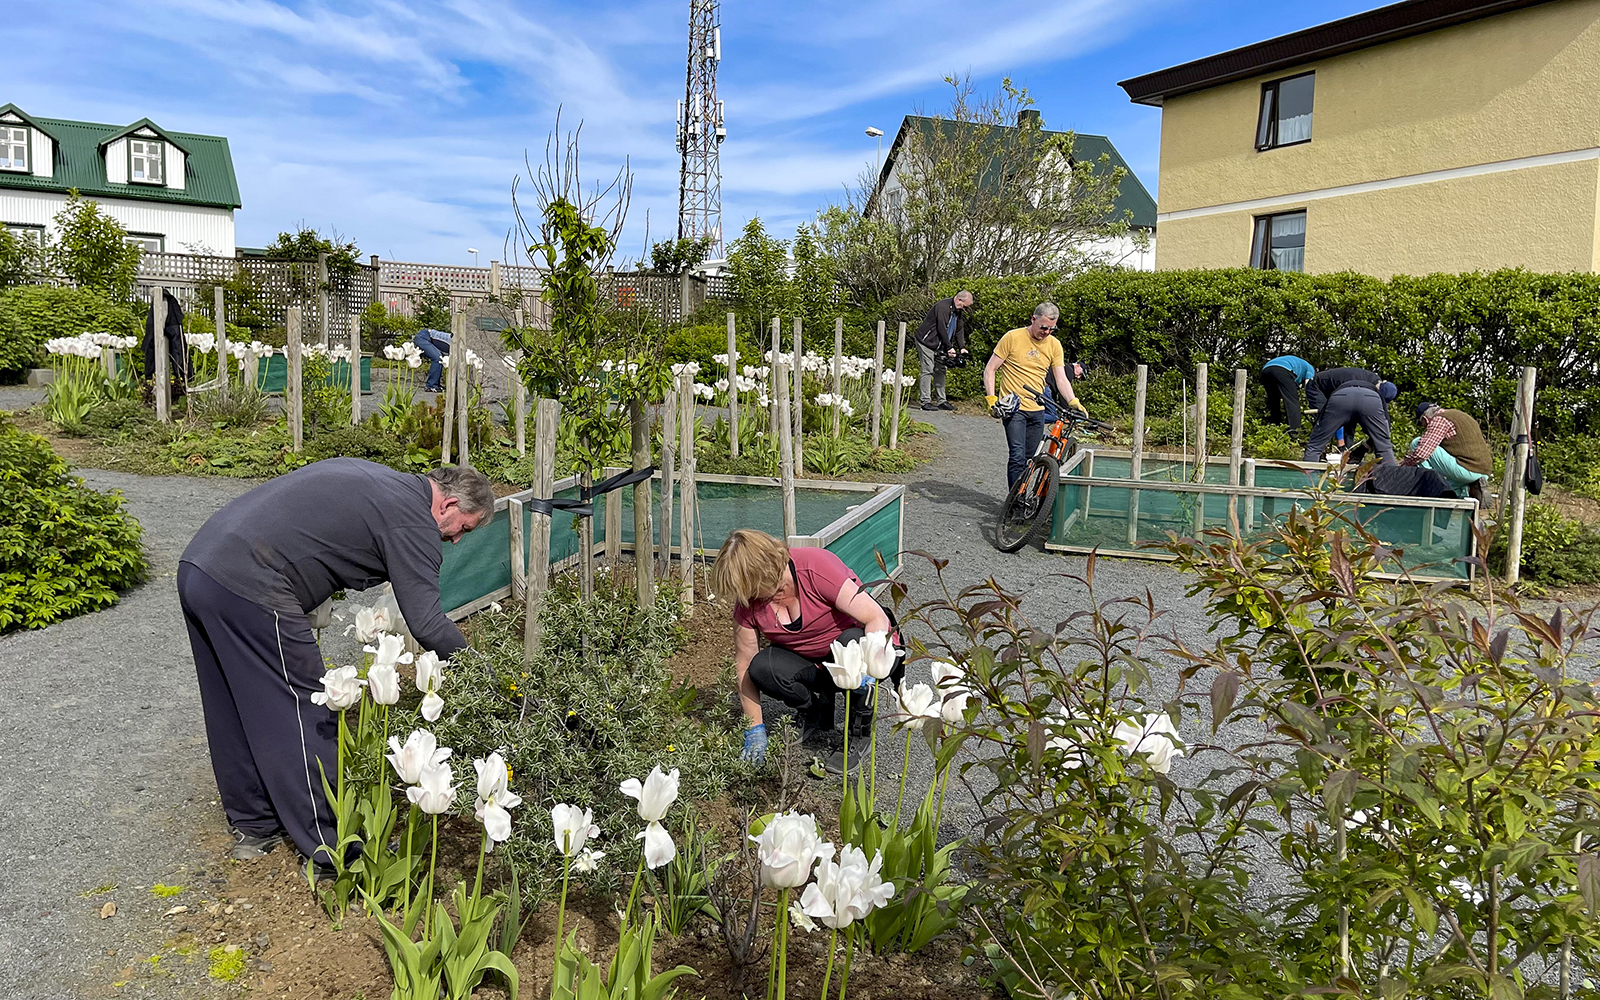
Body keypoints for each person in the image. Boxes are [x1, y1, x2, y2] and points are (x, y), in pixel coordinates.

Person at [179, 461, 493, 864]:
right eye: (463, 529)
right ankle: (335, 848)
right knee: (307, 707)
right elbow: (427, 622)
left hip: (200, 567)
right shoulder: (413, 521)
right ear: (447, 504)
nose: (455, 542)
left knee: (232, 704)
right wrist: (485, 676)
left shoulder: (386, 482)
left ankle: (255, 825)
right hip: (252, 581)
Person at [712, 529, 905, 775]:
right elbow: (744, 665)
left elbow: (875, 617)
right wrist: (754, 730)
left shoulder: (815, 567)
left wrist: (867, 665)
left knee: (851, 643)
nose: (744, 598)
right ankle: (815, 710)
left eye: (748, 587)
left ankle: (859, 731)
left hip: (854, 649)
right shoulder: (749, 603)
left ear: (764, 572)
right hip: (814, 665)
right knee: (761, 667)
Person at [983, 303, 1087, 489]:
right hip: (1014, 408)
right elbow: (990, 369)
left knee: (1030, 459)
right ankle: (1013, 503)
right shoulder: (1012, 337)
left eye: (1051, 329)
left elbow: (1061, 378)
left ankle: (1021, 494)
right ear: (1033, 319)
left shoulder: (1054, 345)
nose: (1046, 332)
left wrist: (1073, 401)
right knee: (1017, 455)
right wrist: (991, 399)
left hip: (1037, 409)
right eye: (1044, 327)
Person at [1303, 368, 1398, 464]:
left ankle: (1308, 475)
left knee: (1315, 445)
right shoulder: (1375, 393)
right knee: (1384, 447)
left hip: (1340, 397)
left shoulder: (1378, 384)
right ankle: (1391, 477)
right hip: (1366, 400)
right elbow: (1384, 432)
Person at [1403, 402, 1491, 502]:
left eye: (1421, 424)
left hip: (1466, 469)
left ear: (1425, 419)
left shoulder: (1440, 419)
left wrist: (1404, 466)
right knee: (1450, 492)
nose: (1424, 428)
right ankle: (1468, 492)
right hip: (1483, 471)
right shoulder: (1462, 416)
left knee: (1417, 443)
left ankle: (1432, 486)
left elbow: (1421, 453)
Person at [914, 290, 973, 411]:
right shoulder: (942, 307)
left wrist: (962, 348)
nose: (965, 309)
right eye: (965, 306)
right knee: (928, 369)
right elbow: (941, 328)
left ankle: (942, 400)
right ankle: (925, 401)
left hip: (940, 344)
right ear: (959, 300)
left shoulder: (958, 311)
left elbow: (959, 330)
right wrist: (949, 347)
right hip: (926, 341)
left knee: (941, 369)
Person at [142, 288, 189, 395]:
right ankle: (179, 378)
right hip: (168, 333)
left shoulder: (170, 308)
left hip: (170, 331)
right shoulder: (171, 309)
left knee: (177, 350)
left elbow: (178, 347)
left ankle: (178, 378)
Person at [1262, 355, 1315, 434]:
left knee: (1274, 401)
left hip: (1266, 370)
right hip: (1282, 369)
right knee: (1292, 401)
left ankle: (1274, 428)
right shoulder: (1311, 369)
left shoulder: (1299, 368)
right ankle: (1294, 433)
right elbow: (1309, 387)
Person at [413, 327, 452, 392]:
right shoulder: (452, 342)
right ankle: (431, 386)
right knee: (438, 358)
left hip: (426, 337)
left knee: (440, 358)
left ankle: (435, 384)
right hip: (423, 337)